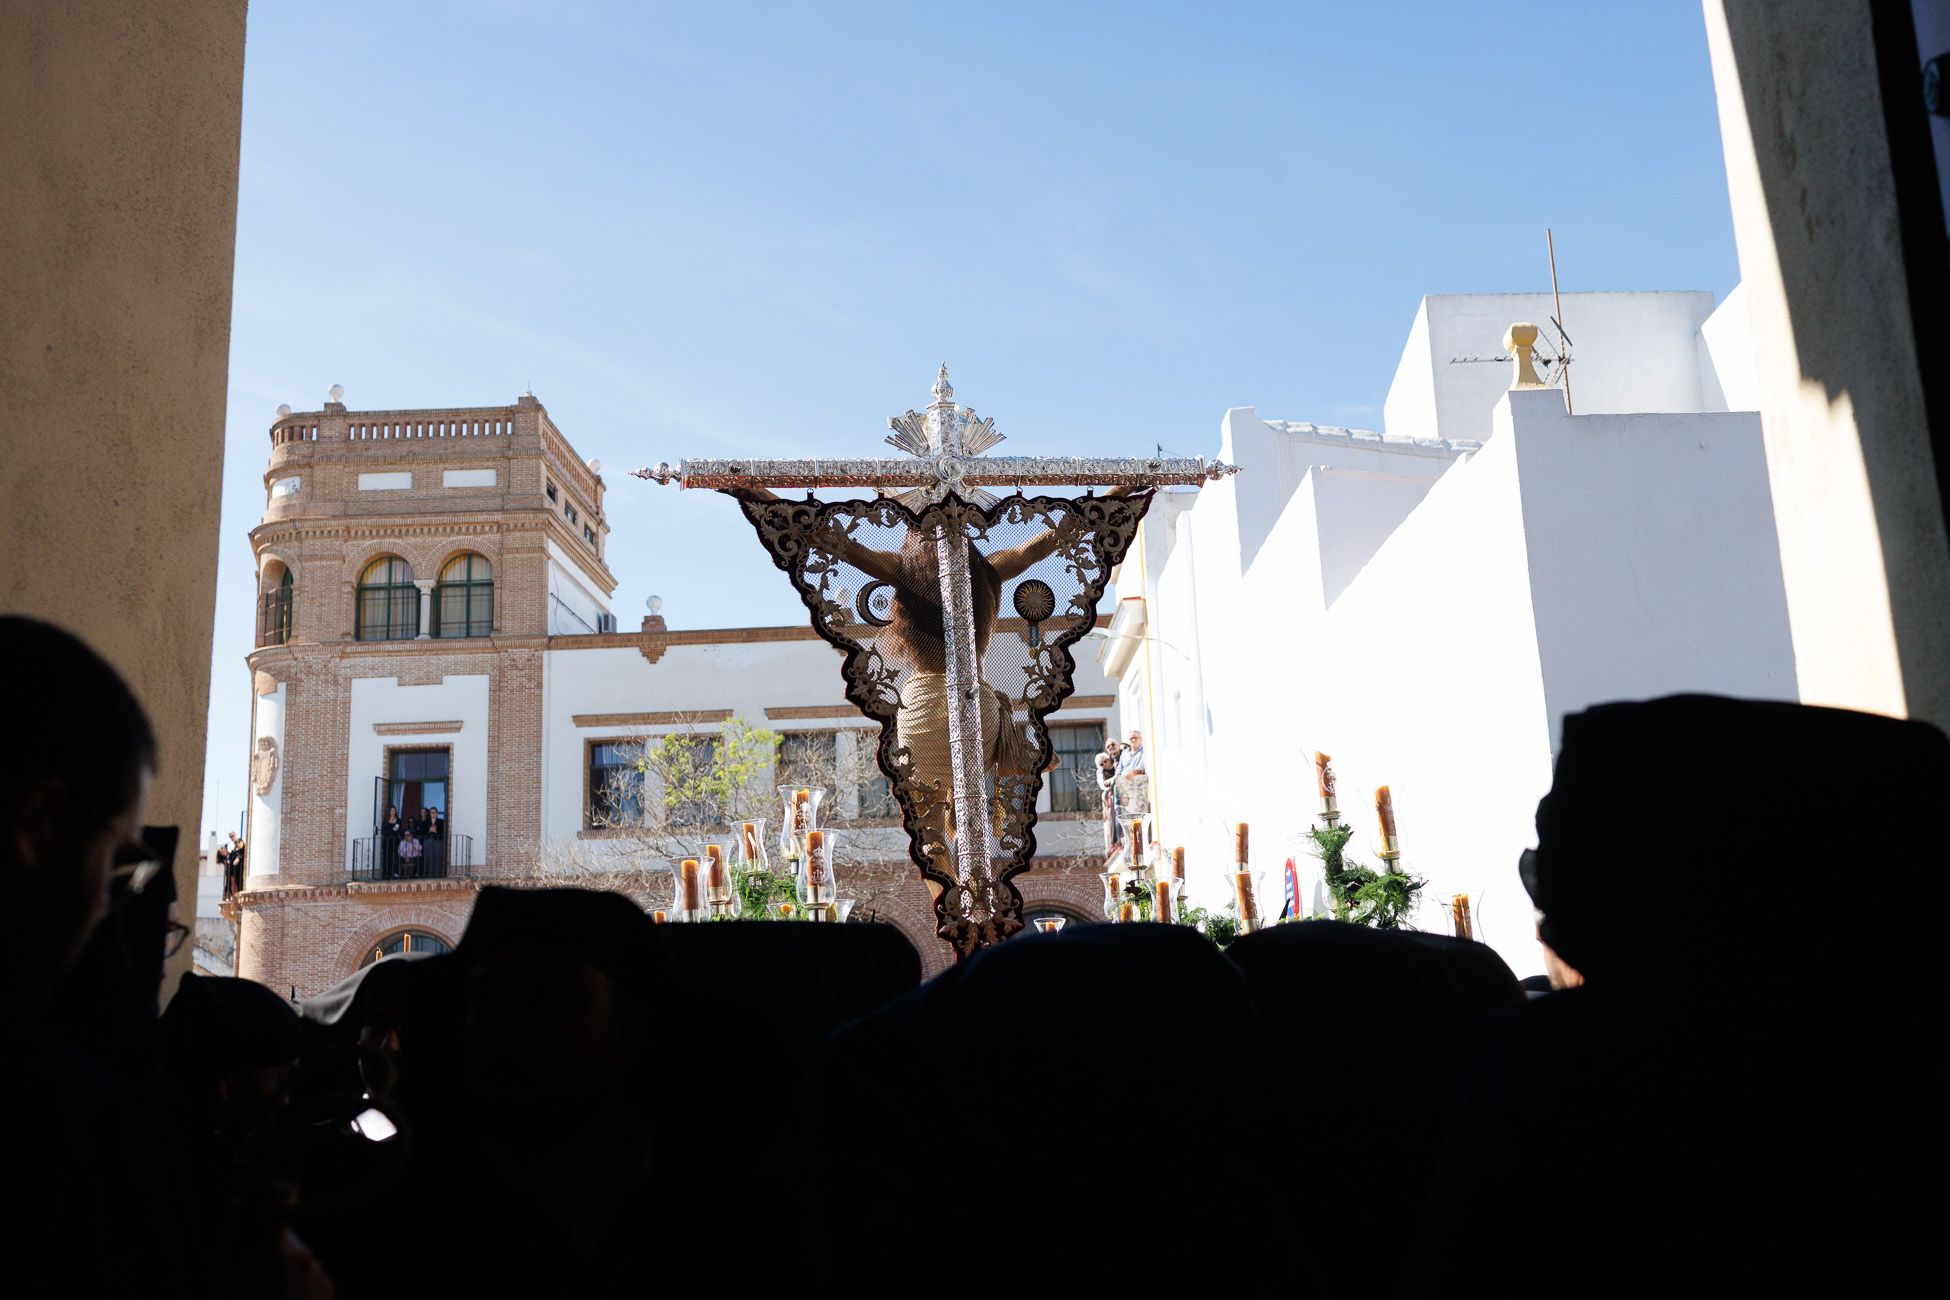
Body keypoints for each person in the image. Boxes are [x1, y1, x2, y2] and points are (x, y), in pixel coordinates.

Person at [1096, 739, 1124, 855]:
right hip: (1113, 796)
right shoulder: (1102, 773)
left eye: (1105, 761)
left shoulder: (1117, 762)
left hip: (1122, 792)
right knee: (1113, 820)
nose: (1104, 765)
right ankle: (1116, 842)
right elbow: (1103, 785)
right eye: (1101, 764)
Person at [1116, 728, 1148, 817]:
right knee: (1122, 812)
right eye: (1131, 739)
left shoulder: (1144, 751)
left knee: (1136, 812)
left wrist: (1128, 776)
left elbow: (1140, 768)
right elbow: (1119, 769)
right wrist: (1118, 778)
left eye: (1135, 738)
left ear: (1140, 739)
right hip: (1123, 784)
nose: (1133, 740)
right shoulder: (1125, 753)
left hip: (1135, 784)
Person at [379, 805, 402, 880]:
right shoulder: (385, 821)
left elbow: (399, 830)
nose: (393, 812)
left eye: (394, 811)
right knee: (386, 857)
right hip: (387, 841)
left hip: (395, 841)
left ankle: (394, 873)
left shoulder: (398, 820)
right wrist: (392, 829)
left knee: (394, 857)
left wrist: (395, 830)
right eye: (392, 810)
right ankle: (386, 874)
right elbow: (383, 831)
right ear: (389, 812)